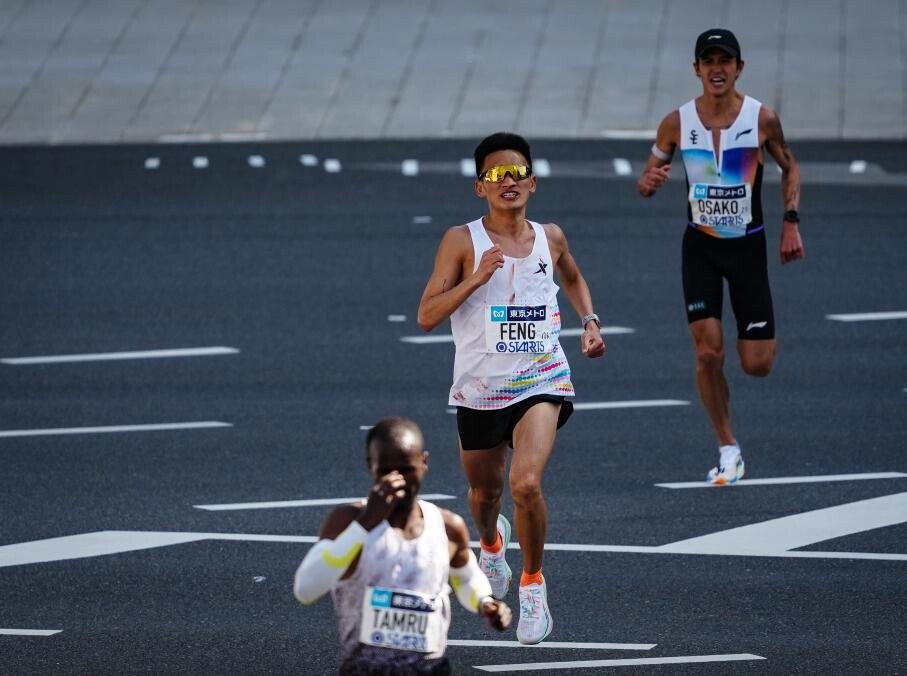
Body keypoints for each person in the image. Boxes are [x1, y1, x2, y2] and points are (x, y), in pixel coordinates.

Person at [416, 132, 605, 644]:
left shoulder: (551, 237)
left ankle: (533, 585)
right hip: (480, 387)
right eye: (497, 174)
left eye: (517, 172)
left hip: (542, 376)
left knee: (524, 485)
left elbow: (573, 278)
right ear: (480, 187)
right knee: (485, 493)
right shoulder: (462, 241)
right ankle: (491, 544)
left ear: (533, 182)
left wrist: (589, 321)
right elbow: (427, 315)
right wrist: (476, 279)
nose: (509, 181)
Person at [637, 28, 804, 485]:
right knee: (708, 351)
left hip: (748, 249)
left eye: (724, 61)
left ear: (738, 68)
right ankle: (728, 447)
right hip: (701, 249)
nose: (717, 69)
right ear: (696, 69)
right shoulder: (676, 122)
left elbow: (791, 167)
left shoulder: (761, 118)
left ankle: (751, 346)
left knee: (757, 364)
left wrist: (791, 221)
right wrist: (648, 183)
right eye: (708, 61)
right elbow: (648, 175)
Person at [293, 417, 512, 675]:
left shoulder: (447, 527)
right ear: (371, 466)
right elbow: (305, 589)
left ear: (424, 462)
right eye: (385, 471)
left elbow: (465, 578)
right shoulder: (347, 522)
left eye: (406, 469)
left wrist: (485, 602)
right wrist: (365, 524)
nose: (396, 480)